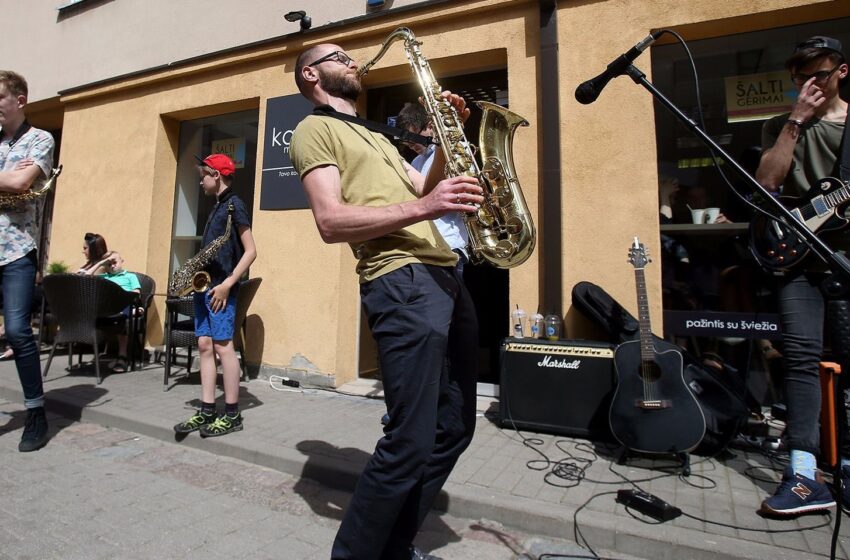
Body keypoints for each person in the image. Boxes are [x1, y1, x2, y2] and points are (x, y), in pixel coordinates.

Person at [290, 44, 483, 560]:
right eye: (340, 56)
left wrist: (446, 139)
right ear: (312, 73)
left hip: (446, 274)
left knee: (455, 427)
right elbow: (330, 221)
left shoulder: (374, 132)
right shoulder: (315, 130)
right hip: (400, 279)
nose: (353, 61)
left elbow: (424, 183)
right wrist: (425, 206)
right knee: (410, 439)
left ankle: (394, 548)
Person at [755, 36, 848, 516]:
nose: (809, 83)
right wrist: (795, 122)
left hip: (845, 258)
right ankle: (804, 474)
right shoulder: (783, 125)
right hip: (799, 261)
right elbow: (767, 183)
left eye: (819, 74)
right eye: (800, 76)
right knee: (801, 360)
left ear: (842, 72)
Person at [173, 153, 256, 438]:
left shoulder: (235, 205)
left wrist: (229, 283)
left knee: (223, 347)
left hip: (221, 287)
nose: (200, 181)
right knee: (206, 346)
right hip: (205, 286)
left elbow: (251, 251)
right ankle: (208, 409)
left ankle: (231, 414)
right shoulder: (216, 207)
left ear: (216, 175)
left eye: (202, 176)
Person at [0, 70, 55, 452]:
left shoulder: (41, 139)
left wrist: (12, 180)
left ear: (19, 100)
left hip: (17, 250)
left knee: (18, 331)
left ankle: (35, 412)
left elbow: (22, 186)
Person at [396, 102, 471, 273]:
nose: (411, 145)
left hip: (448, 245)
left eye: (413, 138)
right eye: (406, 142)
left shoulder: (458, 149)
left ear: (430, 126)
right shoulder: (416, 161)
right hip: (424, 246)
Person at [95, 250, 141, 372]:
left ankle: (122, 356)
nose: (112, 265)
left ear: (122, 261)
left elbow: (136, 293)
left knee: (123, 310)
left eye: (114, 262)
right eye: (109, 264)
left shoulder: (130, 276)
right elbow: (88, 277)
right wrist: (101, 264)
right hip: (105, 306)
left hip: (122, 303)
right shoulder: (103, 277)